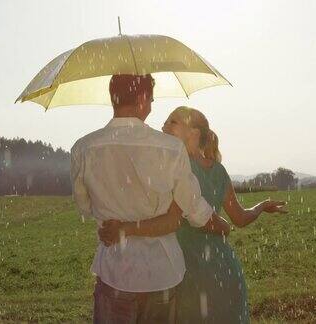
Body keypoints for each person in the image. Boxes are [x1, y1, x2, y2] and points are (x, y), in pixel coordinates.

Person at [99, 106, 287, 323]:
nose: (164, 126)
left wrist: (260, 207)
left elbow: (205, 218)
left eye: (173, 122)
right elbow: (239, 219)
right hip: (222, 267)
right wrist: (256, 209)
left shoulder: (174, 167)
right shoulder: (217, 170)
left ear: (194, 133)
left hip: (186, 269)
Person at [70, 75, 230, 324]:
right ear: (143, 99)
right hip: (161, 274)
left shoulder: (83, 148)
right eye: (152, 100)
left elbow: (85, 206)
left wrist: (119, 213)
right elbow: (192, 207)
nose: (152, 106)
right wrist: (220, 224)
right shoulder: (170, 148)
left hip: (115, 271)